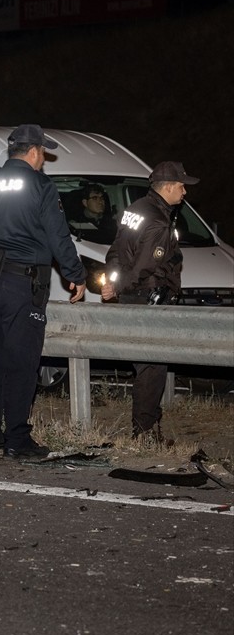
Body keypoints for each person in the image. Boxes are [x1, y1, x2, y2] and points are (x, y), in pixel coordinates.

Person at [0, 124, 86, 459]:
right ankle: (17, 438)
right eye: (43, 152)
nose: (44, 158)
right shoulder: (40, 185)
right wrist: (75, 274)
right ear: (33, 152)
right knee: (21, 362)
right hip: (22, 284)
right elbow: (57, 236)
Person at [101, 161, 199, 441]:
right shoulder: (157, 220)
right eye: (181, 186)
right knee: (152, 367)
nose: (184, 192)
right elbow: (144, 266)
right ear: (167, 187)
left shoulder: (135, 210)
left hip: (132, 298)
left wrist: (112, 282)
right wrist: (118, 287)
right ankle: (144, 432)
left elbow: (117, 252)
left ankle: (145, 428)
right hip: (148, 298)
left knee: (145, 365)